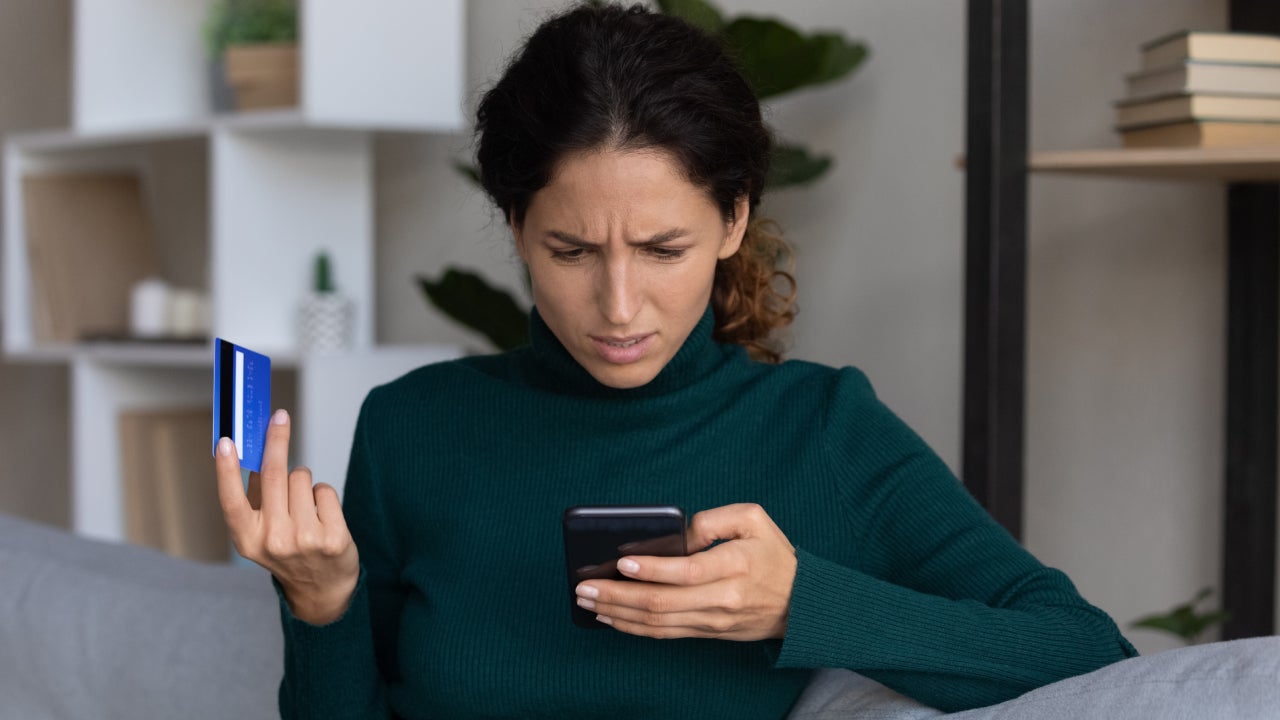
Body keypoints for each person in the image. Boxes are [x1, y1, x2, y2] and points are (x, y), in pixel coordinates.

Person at [213, 4, 1137, 718]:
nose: (619, 308)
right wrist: (322, 603)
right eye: (572, 252)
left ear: (733, 221)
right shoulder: (413, 425)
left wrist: (800, 603)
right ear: (517, 230)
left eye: (663, 250)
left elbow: (1083, 653)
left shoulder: (821, 431)